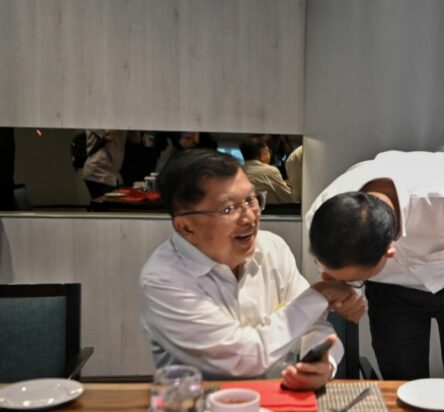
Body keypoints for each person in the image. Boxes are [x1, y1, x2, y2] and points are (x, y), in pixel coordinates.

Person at [140, 149, 365, 388]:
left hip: (281, 400)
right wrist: (321, 293)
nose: (249, 218)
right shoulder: (163, 280)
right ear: (187, 228)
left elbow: (312, 325)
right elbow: (245, 358)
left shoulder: (271, 248)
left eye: (250, 200)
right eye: (228, 209)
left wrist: (323, 361)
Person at [306, 150, 444, 380]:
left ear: (388, 253)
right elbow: (334, 270)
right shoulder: (321, 217)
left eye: (356, 279)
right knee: (400, 377)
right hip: (393, 293)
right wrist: (345, 291)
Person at [239, 137, 294, 204]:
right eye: (268, 151)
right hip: (270, 212)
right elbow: (288, 198)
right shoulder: (270, 171)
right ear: (263, 152)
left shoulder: (238, 171)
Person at [81, 129, 126, 199]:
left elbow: (136, 139)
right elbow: (110, 136)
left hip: (112, 172)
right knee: (105, 205)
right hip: (98, 170)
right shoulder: (99, 120)